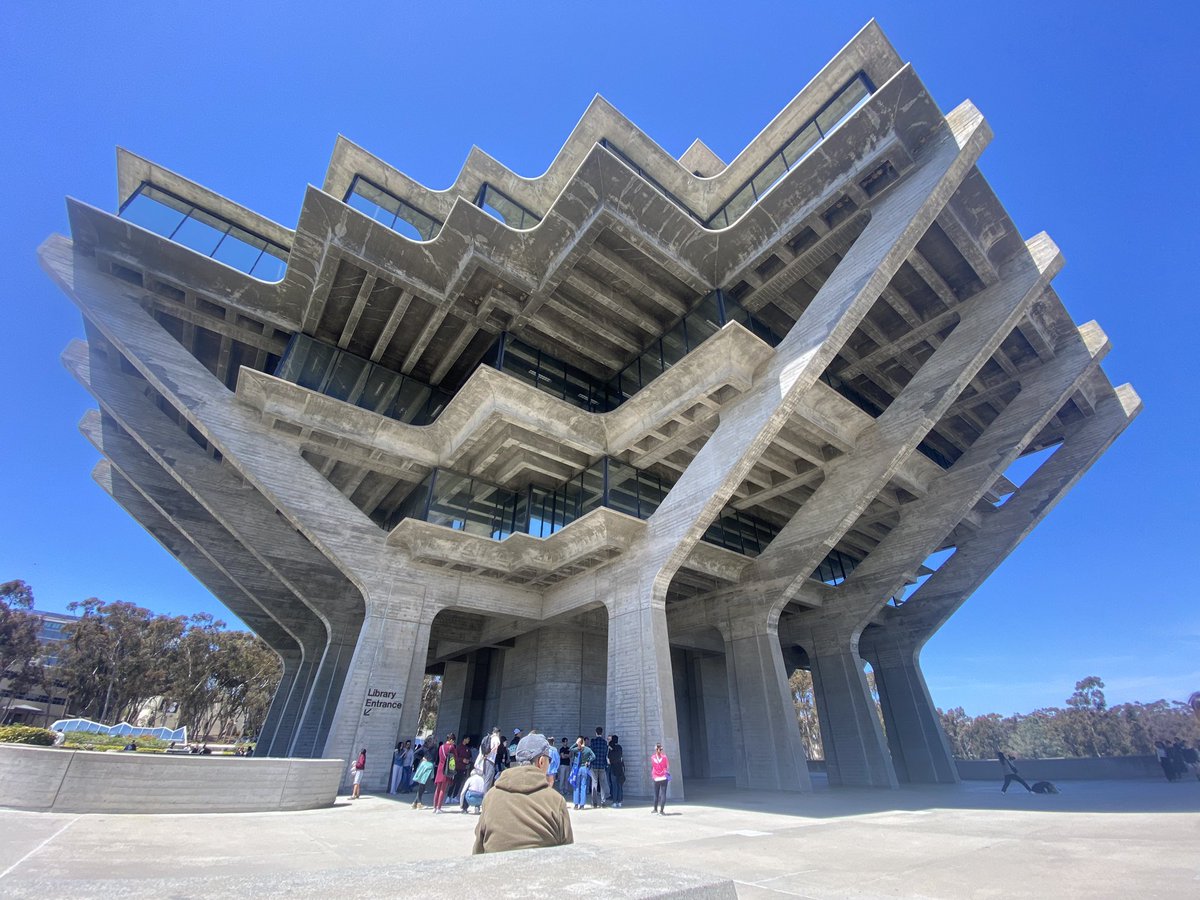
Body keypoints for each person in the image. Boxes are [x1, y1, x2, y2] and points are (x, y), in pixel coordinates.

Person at [472, 733, 574, 854]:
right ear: (541, 762)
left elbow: (478, 850)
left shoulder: (491, 796)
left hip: (494, 870)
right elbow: (567, 852)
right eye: (549, 760)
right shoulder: (556, 801)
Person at [570, 736, 594, 810]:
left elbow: (570, 749)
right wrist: (588, 761)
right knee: (583, 786)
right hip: (584, 768)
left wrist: (576, 743)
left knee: (576, 786)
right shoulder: (588, 749)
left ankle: (576, 804)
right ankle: (582, 805)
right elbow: (594, 756)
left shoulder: (577, 749)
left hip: (577, 768)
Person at [433, 734, 456, 813]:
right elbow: (455, 757)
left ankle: (434, 807)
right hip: (446, 769)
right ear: (451, 740)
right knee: (443, 789)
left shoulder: (441, 747)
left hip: (440, 768)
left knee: (437, 788)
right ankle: (439, 808)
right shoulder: (451, 747)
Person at [588, 726, 609, 808]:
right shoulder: (604, 743)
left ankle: (594, 803)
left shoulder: (593, 742)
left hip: (594, 765)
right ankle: (603, 802)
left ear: (596, 733)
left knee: (594, 784)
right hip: (602, 765)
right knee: (603, 784)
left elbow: (591, 753)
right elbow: (605, 754)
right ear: (602, 732)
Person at [650, 742, 670, 815]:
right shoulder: (664, 757)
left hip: (656, 777)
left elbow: (653, 766)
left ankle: (655, 809)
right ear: (661, 749)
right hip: (664, 777)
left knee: (656, 794)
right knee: (663, 794)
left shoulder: (652, 758)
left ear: (655, 749)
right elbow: (667, 766)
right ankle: (661, 810)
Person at [451, 736, 473, 802]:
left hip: (463, 768)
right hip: (457, 767)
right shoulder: (458, 747)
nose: (468, 740)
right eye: (467, 739)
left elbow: (469, 757)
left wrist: (468, 760)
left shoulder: (467, 748)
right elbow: (455, 757)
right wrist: (462, 759)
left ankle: (454, 796)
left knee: (459, 783)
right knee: (453, 782)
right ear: (464, 739)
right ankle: (449, 796)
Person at [607, 734, 625, 808]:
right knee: (619, 785)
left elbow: (609, 761)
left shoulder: (611, 749)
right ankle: (620, 801)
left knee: (614, 786)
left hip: (613, 769)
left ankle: (614, 802)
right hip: (620, 769)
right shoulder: (620, 748)